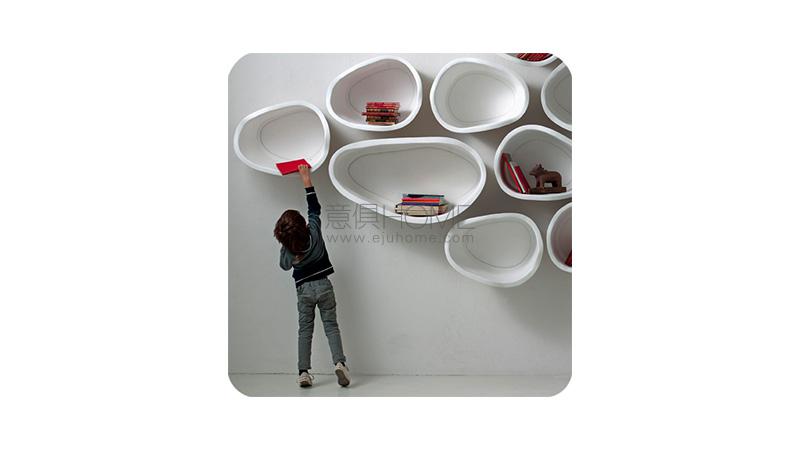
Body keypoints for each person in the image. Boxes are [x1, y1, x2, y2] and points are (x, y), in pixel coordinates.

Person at [273, 164, 350, 388]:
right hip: (324, 286)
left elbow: (283, 266)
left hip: (304, 291)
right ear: (304, 226)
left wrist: (286, 245)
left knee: (305, 330)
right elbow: (314, 208)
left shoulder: (289, 250)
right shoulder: (314, 232)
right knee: (331, 326)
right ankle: (340, 363)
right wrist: (306, 178)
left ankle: (304, 372)